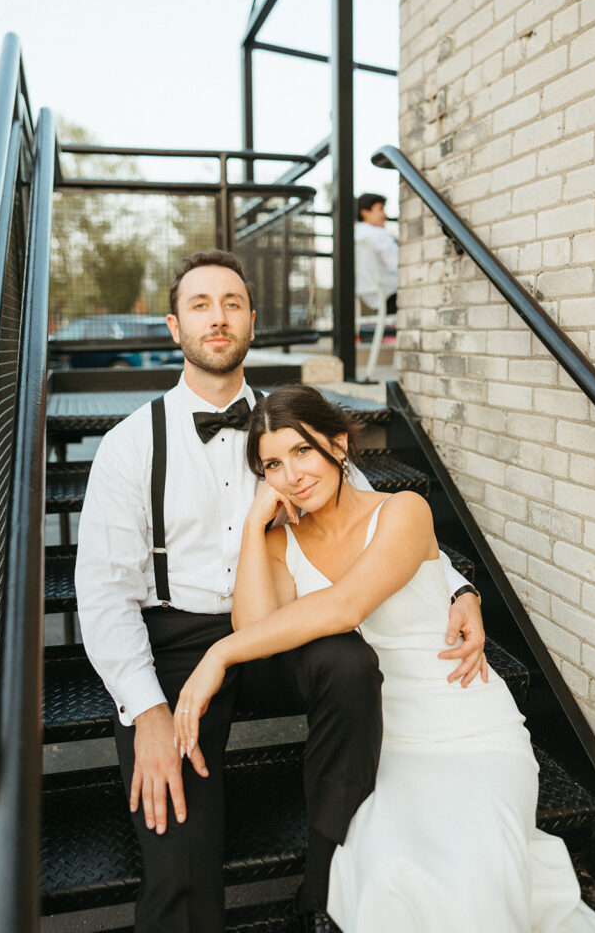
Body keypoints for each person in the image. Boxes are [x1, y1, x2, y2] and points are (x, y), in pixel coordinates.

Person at [75, 251, 486, 933]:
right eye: (201, 305)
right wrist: (144, 708)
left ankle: (323, 896)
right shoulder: (129, 445)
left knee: (349, 665)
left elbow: (373, 515)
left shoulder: (289, 426)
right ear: (174, 328)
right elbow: (104, 593)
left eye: (232, 303)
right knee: (175, 852)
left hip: (281, 626)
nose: (218, 317)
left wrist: (456, 587)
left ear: (251, 323)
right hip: (178, 644)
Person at [174, 385, 595, 933]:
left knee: (474, 868)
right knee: (388, 872)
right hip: (381, 738)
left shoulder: (406, 509)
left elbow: (346, 604)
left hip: (468, 724)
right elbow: (259, 630)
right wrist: (252, 530)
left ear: (338, 445)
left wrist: (216, 655)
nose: (292, 475)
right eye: (272, 465)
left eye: (303, 451)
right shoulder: (281, 544)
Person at [355, 193, 398, 316]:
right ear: (365, 213)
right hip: (389, 294)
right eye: (380, 209)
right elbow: (398, 265)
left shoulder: (354, 235)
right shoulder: (378, 234)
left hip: (368, 296)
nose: (385, 215)